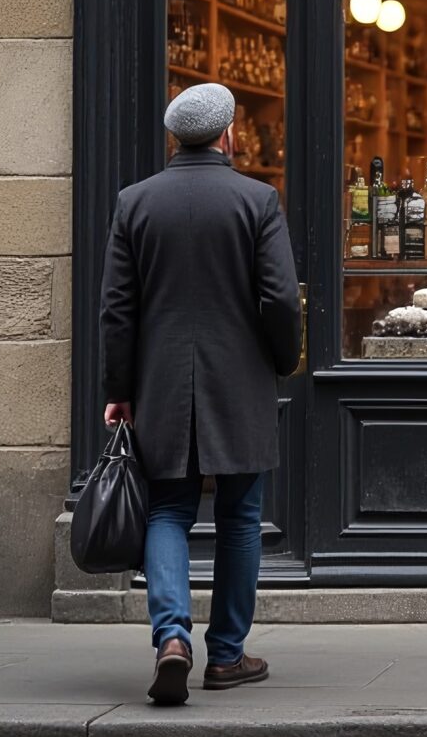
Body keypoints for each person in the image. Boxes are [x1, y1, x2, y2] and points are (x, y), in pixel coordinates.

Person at [99, 82, 300, 705]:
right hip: (237, 382)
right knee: (240, 515)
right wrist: (282, 360)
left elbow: (117, 309)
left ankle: (171, 639)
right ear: (229, 134)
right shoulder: (256, 199)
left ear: (174, 138)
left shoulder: (135, 203)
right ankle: (229, 656)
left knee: (167, 511)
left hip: (158, 384)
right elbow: (280, 298)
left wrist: (119, 389)